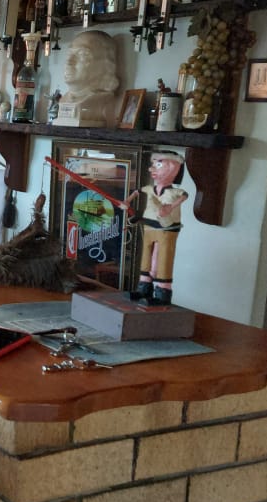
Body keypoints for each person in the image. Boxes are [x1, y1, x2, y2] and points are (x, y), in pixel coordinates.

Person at [129, 150, 188, 305]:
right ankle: (144, 288)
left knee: (164, 258)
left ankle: (163, 293)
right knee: (146, 257)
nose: (152, 168)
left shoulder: (175, 192)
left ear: (172, 168)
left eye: (159, 165)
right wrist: (127, 202)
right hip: (149, 227)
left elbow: (184, 196)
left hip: (167, 229)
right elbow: (137, 192)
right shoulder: (150, 189)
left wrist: (170, 207)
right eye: (153, 164)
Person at [57, 30, 119, 127]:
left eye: (82, 54)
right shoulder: (64, 100)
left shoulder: (102, 101)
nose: (69, 62)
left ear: (103, 65)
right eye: (69, 54)